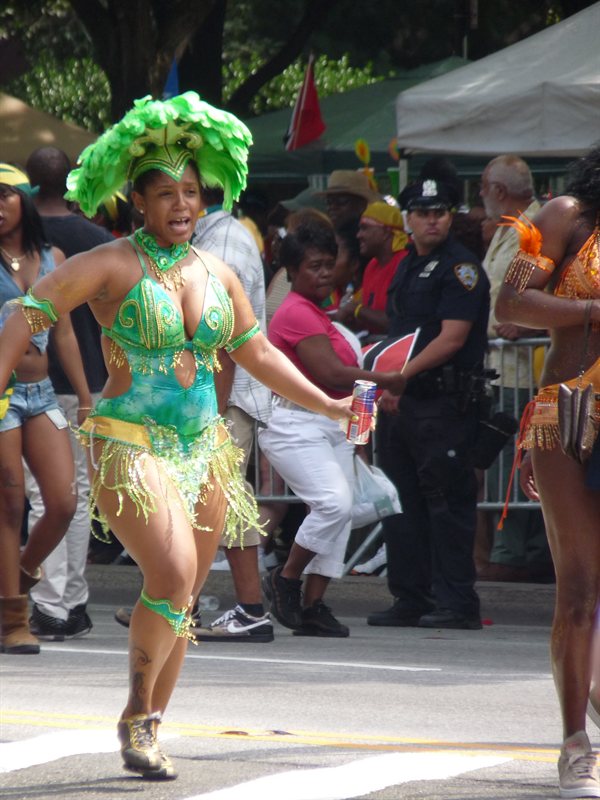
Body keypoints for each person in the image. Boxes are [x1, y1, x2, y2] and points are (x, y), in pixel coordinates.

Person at [0, 92, 354, 780]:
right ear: (138, 201)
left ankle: (149, 725)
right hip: (130, 442)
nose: (182, 204)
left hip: (205, 450)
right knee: (172, 573)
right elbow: (27, 312)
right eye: (165, 194)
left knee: (184, 596)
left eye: (191, 191)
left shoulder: (217, 272)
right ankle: (135, 710)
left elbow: (258, 354)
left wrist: (332, 405)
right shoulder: (112, 264)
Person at [495, 144, 600, 798]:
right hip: (571, 411)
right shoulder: (564, 215)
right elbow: (510, 304)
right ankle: (575, 746)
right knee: (580, 587)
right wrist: (592, 312)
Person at [259, 219, 407, 637]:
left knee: (339, 517)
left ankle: (313, 605)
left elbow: (353, 383)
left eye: (329, 265)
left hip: (336, 426)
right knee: (333, 504)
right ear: (291, 271)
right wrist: (391, 380)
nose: (324, 274)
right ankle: (285, 579)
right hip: (295, 423)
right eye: (313, 267)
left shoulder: (328, 318)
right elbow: (334, 374)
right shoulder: (293, 313)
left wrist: (360, 438)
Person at [367, 179, 490, 631]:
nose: (433, 218)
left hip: (444, 401)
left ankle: (456, 601)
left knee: (446, 503)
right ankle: (410, 596)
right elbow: (400, 331)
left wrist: (401, 377)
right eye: (422, 211)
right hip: (406, 401)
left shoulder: (461, 269)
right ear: (408, 219)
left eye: (441, 210)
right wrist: (390, 384)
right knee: (401, 502)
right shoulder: (406, 265)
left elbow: (452, 337)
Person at [23, 145, 115, 640]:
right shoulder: (98, 239)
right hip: (89, 384)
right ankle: (70, 601)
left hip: (38, 387)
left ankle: (53, 604)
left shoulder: (30, 244)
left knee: (45, 496)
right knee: (73, 498)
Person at [0, 163, 92, 655]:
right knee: (11, 503)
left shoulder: (53, 258)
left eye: (5, 196)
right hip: (1, 397)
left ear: (25, 200)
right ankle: (14, 617)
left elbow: (64, 333)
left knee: (62, 502)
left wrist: (81, 396)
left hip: (42, 395)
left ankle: (12, 580)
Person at [191, 185, 273, 643]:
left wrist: (210, 415)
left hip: (224, 399)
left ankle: (246, 608)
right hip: (220, 398)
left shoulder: (220, 242)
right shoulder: (215, 236)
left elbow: (218, 342)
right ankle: (185, 606)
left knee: (217, 499)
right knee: (219, 499)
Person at [477, 154, 552, 583]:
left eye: (484, 187)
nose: (482, 196)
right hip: (503, 366)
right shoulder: (511, 228)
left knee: (517, 457)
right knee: (509, 455)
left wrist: (527, 323)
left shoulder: (539, 227)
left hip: (526, 368)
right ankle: (519, 550)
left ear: (499, 191)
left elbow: (554, 286)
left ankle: (515, 552)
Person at [334, 201, 408, 337]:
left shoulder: (405, 263)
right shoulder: (372, 265)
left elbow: (398, 323)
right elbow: (371, 320)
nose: (359, 235)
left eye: (365, 228)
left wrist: (355, 309)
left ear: (386, 232)